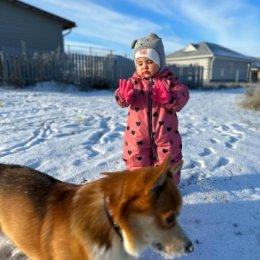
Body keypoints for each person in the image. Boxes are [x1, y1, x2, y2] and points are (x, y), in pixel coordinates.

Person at [115, 33, 189, 184]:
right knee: (136, 159)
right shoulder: (133, 82)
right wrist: (123, 96)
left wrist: (170, 97)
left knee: (168, 161)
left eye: (149, 61)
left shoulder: (170, 81)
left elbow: (183, 94)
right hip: (137, 134)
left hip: (166, 135)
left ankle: (166, 188)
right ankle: (140, 186)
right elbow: (121, 100)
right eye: (140, 63)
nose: (144, 66)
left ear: (160, 61)